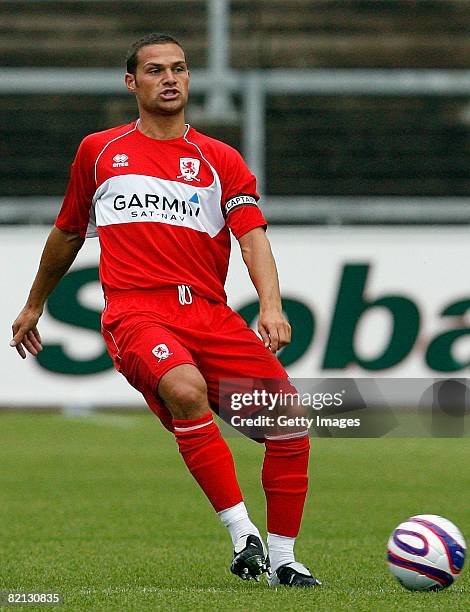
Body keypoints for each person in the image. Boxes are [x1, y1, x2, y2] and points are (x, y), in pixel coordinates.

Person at [10, 33, 320, 588]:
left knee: (290, 425)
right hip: (136, 313)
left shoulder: (220, 159)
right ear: (132, 82)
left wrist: (270, 305)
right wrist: (34, 303)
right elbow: (67, 232)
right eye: (155, 70)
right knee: (183, 388)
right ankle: (241, 531)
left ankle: (283, 559)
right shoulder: (99, 151)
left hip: (209, 313)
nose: (170, 79)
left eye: (179, 69)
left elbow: (252, 237)